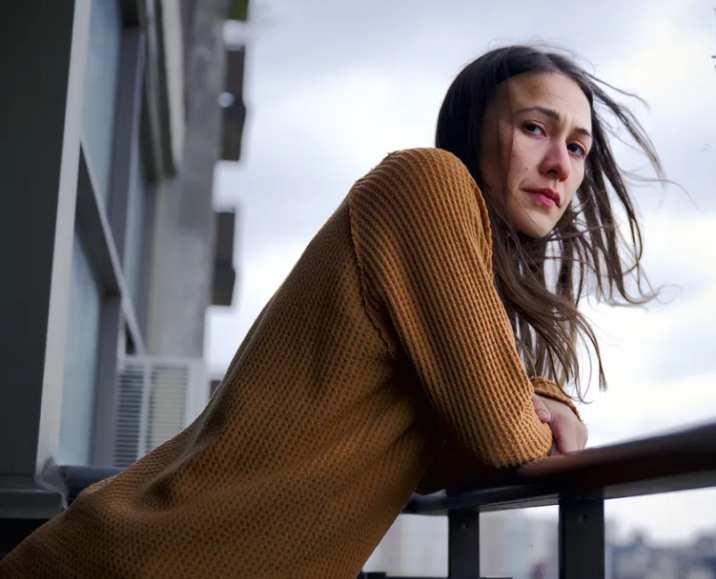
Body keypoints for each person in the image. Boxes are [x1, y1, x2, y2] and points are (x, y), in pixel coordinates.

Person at [0, 44, 665, 578]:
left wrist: (543, 399)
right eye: (534, 128)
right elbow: (505, 434)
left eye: (577, 148)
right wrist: (541, 403)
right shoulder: (428, 184)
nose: (558, 164)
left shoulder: (455, 275)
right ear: (473, 129)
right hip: (146, 561)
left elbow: (452, 455)